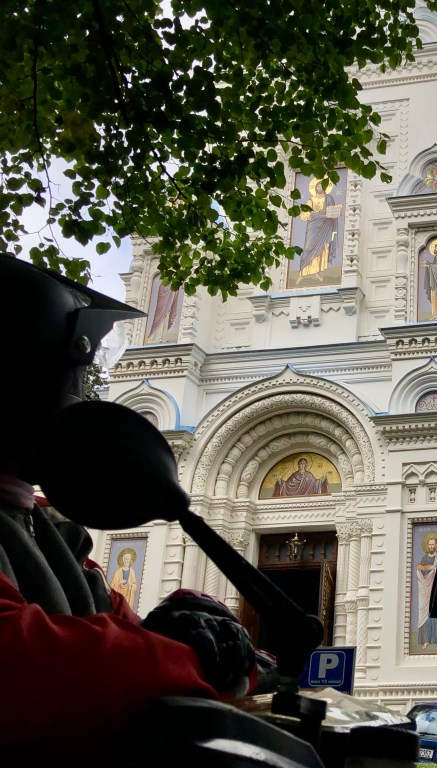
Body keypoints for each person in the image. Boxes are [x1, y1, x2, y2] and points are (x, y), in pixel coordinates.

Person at [0, 256, 258, 764]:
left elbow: (117, 623)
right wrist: (189, 658)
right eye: (75, 379)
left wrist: (191, 630)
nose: (82, 399)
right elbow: (20, 664)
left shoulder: (50, 529)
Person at [294, 177, 339, 283]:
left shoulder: (329, 199)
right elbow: (304, 214)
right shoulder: (311, 200)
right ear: (315, 188)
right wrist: (312, 214)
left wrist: (333, 213)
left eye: (321, 186)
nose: (319, 188)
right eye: (318, 186)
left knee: (323, 248)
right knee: (308, 248)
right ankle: (302, 273)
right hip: (313, 227)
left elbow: (333, 212)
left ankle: (317, 272)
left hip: (325, 227)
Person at [415, 533, 437, 649]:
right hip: (425, 590)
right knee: (426, 615)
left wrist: (435, 570)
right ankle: (426, 640)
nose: (431, 546)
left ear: (436, 545)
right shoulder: (424, 558)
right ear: (427, 545)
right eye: (430, 544)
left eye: (433, 544)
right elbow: (421, 571)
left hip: (436, 588)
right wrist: (425, 569)